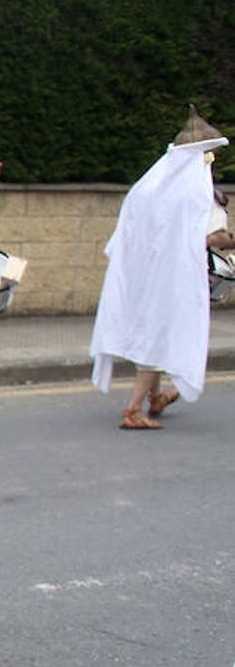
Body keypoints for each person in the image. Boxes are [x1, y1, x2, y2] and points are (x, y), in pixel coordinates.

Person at [89, 106, 233, 429]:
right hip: (172, 279)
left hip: (140, 276)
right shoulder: (195, 194)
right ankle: (133, 409)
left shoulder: (148, 189)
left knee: (151, 333)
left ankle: (154, 399)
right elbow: (214, 237)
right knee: (159, 337)